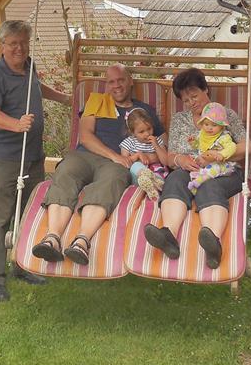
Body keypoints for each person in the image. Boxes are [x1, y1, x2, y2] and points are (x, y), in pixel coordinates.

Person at [32, 63, 164, 265]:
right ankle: (52, 238)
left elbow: (162, 145)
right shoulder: (97, 102)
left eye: (121, 80)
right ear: (106, 85)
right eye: (111, 82)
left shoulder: (144, 110)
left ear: (130, 81)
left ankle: (81, 241)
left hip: (118, 164)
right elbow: (85, 136)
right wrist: (114, 155)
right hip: (85, 156)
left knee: (109, 183)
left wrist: (142, 157)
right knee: (65, 172)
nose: (116, 85)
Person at [0, 20, 71, 302]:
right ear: (3, 46)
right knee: (0, 218)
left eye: (23, 42)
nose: (19, 48)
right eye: (13, 44)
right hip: (6, 157)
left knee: (28, 215)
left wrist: (64, 98)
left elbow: (36, 87)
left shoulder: (29, 65)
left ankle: (21, 266)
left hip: (32, 155)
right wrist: (16, 125)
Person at [142, 68, 248, 270]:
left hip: (223, 170)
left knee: (209, 187)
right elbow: (170, 156)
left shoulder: (225, 114)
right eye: (186, 100)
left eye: (194, 96)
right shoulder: (179, 119)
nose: (191, 103)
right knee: (174, 179)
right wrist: (180, 160)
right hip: (189, 170)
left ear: (205, 89)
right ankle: (168, 236)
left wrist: (217, 155)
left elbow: (246, 147)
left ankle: (213, 243)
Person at [188, 102, 237, 196]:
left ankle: (199, 181)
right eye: (206, 124)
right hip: (204, 163)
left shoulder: (223, 137)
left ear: (222, 126)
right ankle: (195, 187)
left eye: (214, 125)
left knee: (214, 168)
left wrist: (222, 154)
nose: (209, 128)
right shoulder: (202, 134)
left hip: (221, 164)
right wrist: (193, 142)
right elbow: (199, 146)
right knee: (195, 167)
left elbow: (232, 147)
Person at [120, 107, 169, 201]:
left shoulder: (157, 141)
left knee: (159, 175)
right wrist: (137, 155)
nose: (147, 134)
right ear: (132, 132)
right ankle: (146, 177)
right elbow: (124, 163)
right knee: (136, 165)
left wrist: (156, 145)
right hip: (138, 176)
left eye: (149, 129)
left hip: (157, 172)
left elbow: (166, 161)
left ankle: (154, 188)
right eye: (141, 132)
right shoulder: (129, 142)